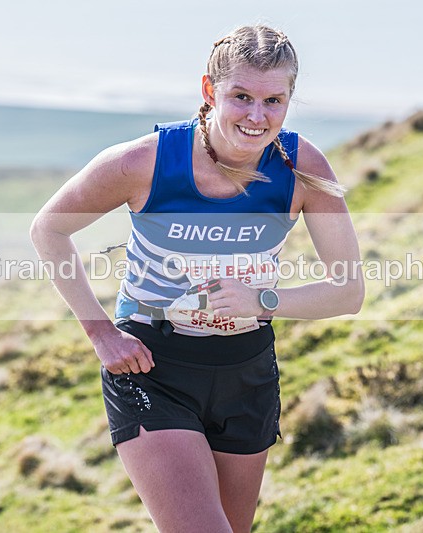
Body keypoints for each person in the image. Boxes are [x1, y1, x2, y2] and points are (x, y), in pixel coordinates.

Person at [30, 25, 364, 532]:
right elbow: (48, 230)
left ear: (289, 100)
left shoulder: (302, 166)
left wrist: (262, 301)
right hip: (152, 366)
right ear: (210, 90)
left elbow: (348, 291)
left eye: (273, 100)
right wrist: (100, 332)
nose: (257, 116)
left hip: (246, 371)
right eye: (241, 96)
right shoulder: (144, 161)